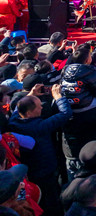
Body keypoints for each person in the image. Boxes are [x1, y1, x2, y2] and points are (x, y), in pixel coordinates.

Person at [8, 84, 72, 215]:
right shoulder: (40, 127)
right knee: (51, 203)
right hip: (45, 172)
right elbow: (65, 113)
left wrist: (31, 94)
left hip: (30, 171)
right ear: (29, 113)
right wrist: (58, 97)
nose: (42, 107)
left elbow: (17, 107)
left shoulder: (13, 120)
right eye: (38, 106)